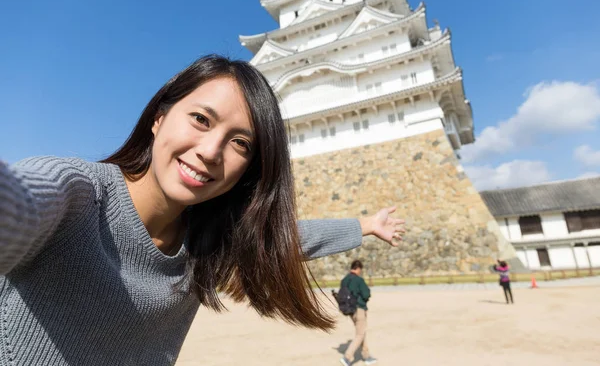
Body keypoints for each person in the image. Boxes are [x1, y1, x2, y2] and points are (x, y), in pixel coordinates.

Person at [0, 55, 406, 365]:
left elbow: (288, 238)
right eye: (200, 119)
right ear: (159, 118)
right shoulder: (77, 192)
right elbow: (20, 203)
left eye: (240, 143)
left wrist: (366, 225)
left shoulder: (209, 245)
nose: (210, 151)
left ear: (249, 170)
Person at [339, 260, 377, 366]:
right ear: (358, 268)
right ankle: (347, 357)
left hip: (349, 310)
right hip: (359, 309)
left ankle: (366, 356)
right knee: (360, 334)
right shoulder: (358, 280)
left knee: (361, 332)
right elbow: (366, 294)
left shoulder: (344, 280)